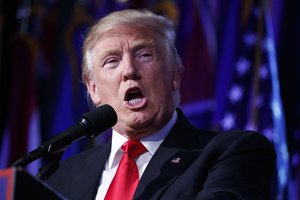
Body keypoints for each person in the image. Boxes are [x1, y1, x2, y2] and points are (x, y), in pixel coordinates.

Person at [46, 9, 276, 200]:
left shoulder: (231, 153)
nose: (129, 71)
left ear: (174, 75)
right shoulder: (63, 177)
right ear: (93, 89)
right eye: (112, 61)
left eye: (145, 55)